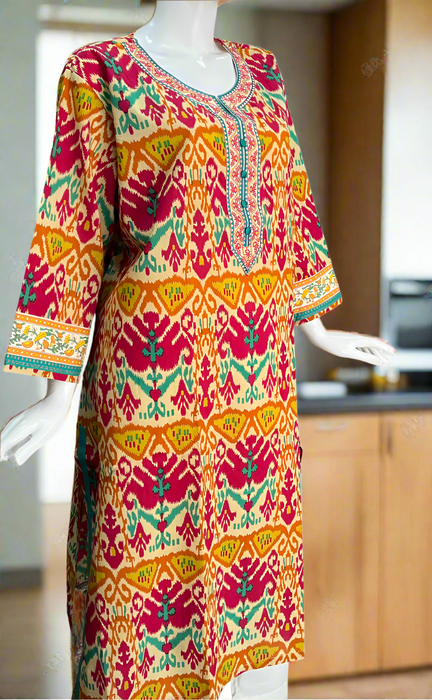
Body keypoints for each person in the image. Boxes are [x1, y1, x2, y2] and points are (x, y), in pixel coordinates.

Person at [1, 2, 395, 698]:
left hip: (258, 386)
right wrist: (58, 391)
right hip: (153, 381)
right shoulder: (101, 72)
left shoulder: (263, 73)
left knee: (256, 605)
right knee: (140, 601)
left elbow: (291, 204)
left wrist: (319, 329)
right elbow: (74, 225)